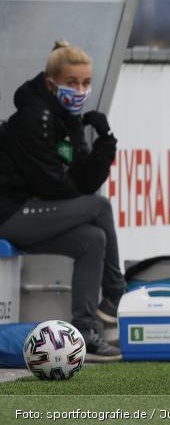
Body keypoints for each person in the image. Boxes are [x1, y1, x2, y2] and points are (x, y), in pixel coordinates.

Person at [0, 41, 125, 361]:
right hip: (8, 212)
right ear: (50, 84)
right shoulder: (35, 117)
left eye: (85, 82)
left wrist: (105, 143)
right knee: (99, 206)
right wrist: (81, 191)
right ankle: (116, 295)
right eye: (72, 83)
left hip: (27, 211)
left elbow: (82, 182)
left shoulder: (68, 117)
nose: (81, 90)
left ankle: (85, 329)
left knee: (92, 239)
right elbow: (56, 186)